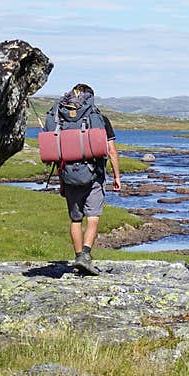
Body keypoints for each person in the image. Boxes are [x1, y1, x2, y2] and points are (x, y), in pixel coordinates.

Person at [54, 83, 122, 273]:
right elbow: (112, 151)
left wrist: (61, 181)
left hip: (68, 175)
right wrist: (117, 176)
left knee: (76, 219)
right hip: (95, 175)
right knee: (93, 217)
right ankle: (85, 255)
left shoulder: (62, 119)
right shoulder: (99, 118)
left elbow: (59, 153)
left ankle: (78, 258)